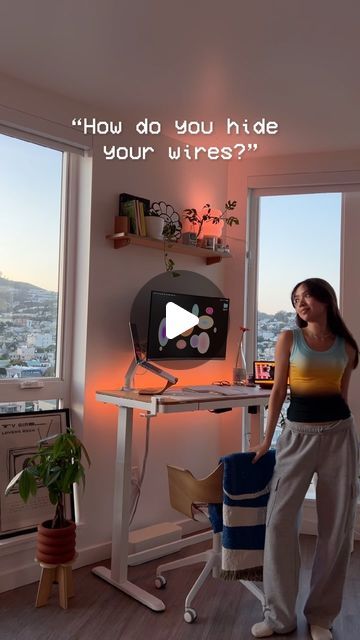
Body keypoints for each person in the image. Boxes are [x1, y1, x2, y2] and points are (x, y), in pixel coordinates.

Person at [250, 278, 359, 640]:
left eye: (306, 296)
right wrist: (267, 439)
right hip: (296, 437)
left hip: (338, 438)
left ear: (326, 299)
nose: (300, 303)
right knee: (280, 523)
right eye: (295, 299)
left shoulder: (347, 347)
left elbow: (342, 397)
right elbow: (279, 390)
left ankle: (321, 617)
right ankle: (279, 616)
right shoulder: (288, 339)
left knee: (336, 531)